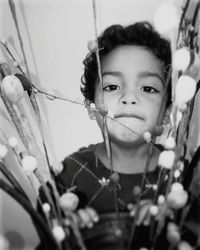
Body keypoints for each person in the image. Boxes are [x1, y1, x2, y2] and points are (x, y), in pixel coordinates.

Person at [55, 21, 172, 249]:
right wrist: (66, 232)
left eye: (148, 88)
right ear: (91, 107)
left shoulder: (182, 177)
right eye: (111, 87)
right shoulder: (68, 175)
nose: (129, 98)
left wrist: (173, 223)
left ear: (166, 113)